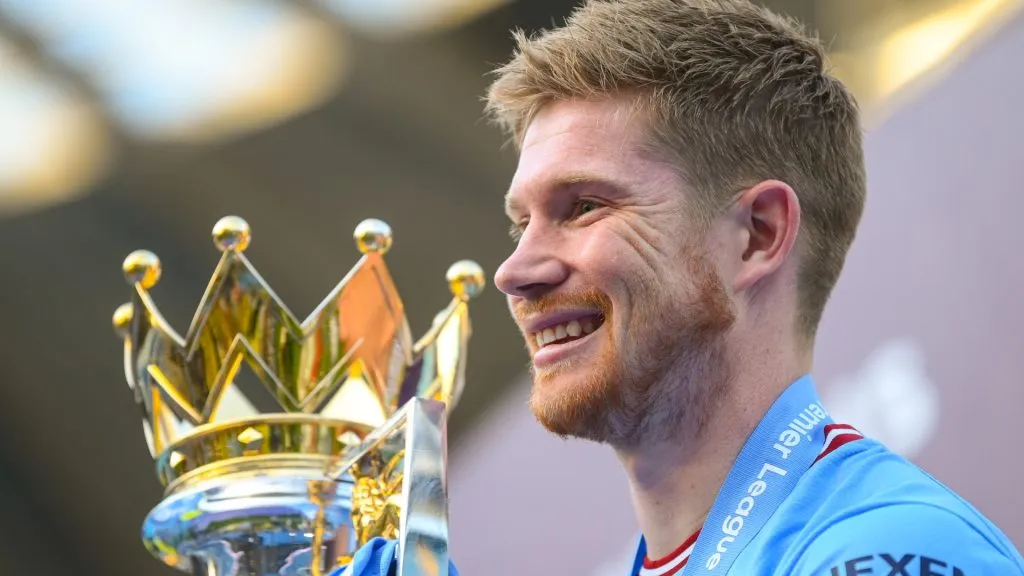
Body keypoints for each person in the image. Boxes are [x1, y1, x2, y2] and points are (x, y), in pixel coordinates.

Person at [338, 0, 1024, 574]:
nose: (515, 271)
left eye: (583, 207)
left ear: (756, 234)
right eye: (522, 223)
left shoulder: (882, 552)